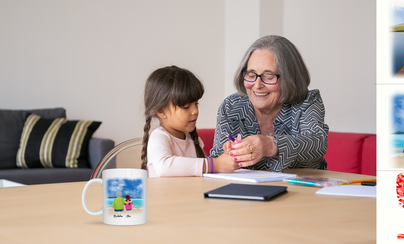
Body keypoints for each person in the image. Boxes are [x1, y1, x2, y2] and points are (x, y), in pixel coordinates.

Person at [209, 35, 329, 172]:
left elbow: (317, 144)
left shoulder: (307, 101)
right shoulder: (232, 106)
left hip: (303, 189)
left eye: (269, 77)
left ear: (289, 78)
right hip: (247, 190)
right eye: (251, 74)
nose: (257, 85)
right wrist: (228, 157)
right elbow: (217, 161)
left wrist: (270, 145)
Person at [140, 66, 237, 177]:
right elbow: (164, 167)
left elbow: (201, 170)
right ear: (161, 111)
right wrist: (214, 164)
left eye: (196, 104)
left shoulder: (194, 140)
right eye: (186, 107)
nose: (195, 111)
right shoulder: (159, 137)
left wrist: (226, 159)